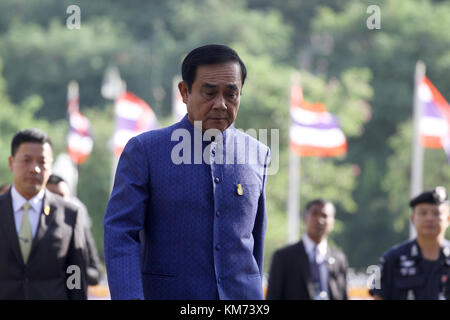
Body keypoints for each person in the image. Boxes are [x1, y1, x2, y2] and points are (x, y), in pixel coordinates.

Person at [104, 44, 271, 300]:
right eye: (209, 92)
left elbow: (254, 242)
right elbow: (121, 233)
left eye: (231, 94)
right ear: (184, 92)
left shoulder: (258, 154)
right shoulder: (145, 151)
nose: (221, 104)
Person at [0, 128, 87, 299]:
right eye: (27, 160)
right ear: (11, 162)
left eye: (42, 162)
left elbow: (74, 271)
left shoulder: (69, 214)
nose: (35, 169)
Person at [370, 187, 450, 300]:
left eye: (436, 213)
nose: (429, 218)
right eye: (423, 213)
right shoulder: (391, 259)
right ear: (413, 218)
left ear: (448, 219)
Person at [266, 199, 348, 300]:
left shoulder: (339, 259)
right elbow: (273, 296)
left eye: (325, 216)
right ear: (305, 218)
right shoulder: (283, 257)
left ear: (333, 222)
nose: (320, 220)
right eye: (315, 213)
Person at [46, 174, 103, 286]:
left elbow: (95, 273)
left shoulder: (79, 228)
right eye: (52, 196)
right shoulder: (29, 227)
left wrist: (71, 270)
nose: (58, 201)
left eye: (62, 196)